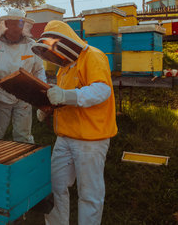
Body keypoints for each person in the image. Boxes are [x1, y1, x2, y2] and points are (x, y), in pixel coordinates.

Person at [31, 20, 118, 225]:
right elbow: (65, 99)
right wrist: (48, 108)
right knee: (54, 185)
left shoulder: (93, 56)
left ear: (63, 43)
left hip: (91, 138)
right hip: (65, 137)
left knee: (90, 193)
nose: (52, 57)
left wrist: (64, 96)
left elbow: (101, 90)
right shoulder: (65, 68)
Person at [0, 8, 47, 143]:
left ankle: (24, 161)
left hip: (24, 96)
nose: (16, 28)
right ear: (6, 24)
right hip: (0, 96)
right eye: (13, 24)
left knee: (24, 135)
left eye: (19, 24)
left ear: (24, 25)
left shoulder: (31, 45)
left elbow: (38, 69)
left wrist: (42, 88)